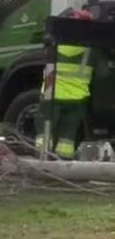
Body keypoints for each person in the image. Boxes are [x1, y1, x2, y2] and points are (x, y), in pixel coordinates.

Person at [38, 9, 93, 159]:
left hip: (52, 95)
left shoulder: (54, 45)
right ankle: (64, 160)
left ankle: (42, 158)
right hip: (77, 99)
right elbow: (103, 72)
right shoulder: (90, 50)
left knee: (45, 131)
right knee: (67, 137)